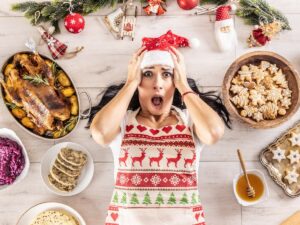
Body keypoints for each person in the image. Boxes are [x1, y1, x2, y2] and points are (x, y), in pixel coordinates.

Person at [87, 30, 231, 225]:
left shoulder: (189, 121)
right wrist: (130, 83)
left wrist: (183, 85)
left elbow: (214, 133)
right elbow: (101, 133)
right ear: (139, 81)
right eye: (148, 74)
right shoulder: (122, 122)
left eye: (166, 74)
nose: (157, 84)